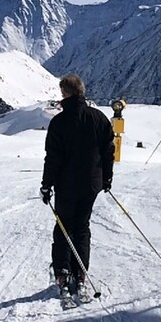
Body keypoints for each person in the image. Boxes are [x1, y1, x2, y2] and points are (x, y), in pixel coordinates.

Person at [40, 74, 115, 304]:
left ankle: (63, 273)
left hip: (66, 184)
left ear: (65, 94)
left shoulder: (59, 122)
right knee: (82, 227)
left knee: (63, 226)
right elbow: (108, 151)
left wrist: (46, 185)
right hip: (91, 183)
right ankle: (80, 273)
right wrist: (106, 179)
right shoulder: (99, 118)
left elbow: (53, 157)